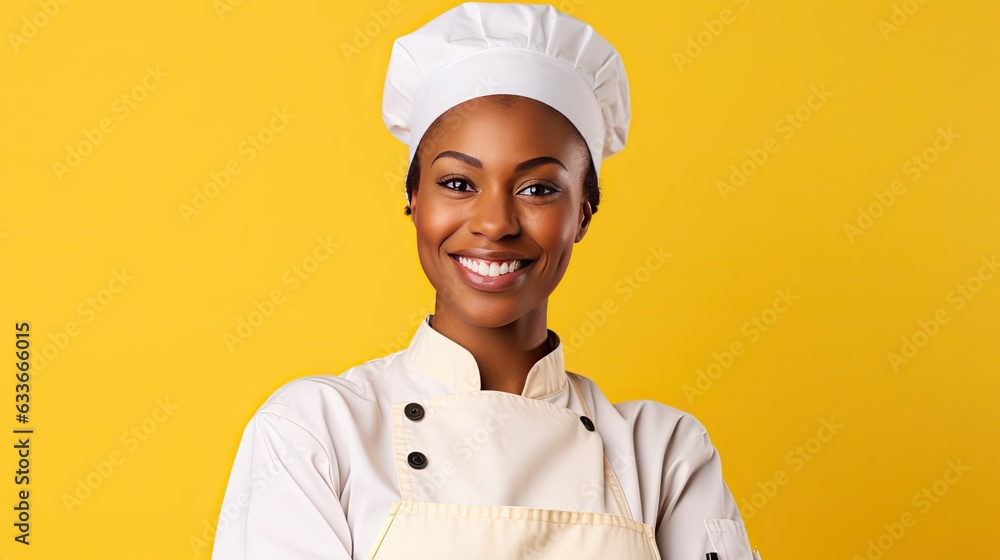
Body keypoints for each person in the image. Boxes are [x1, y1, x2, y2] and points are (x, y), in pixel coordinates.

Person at [212, 3, 761, 559]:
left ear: (583, 215)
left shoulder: (663, 454)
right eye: (457, 182)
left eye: (538, 189)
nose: (495, 223)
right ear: (413, 201)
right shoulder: (317, 431)